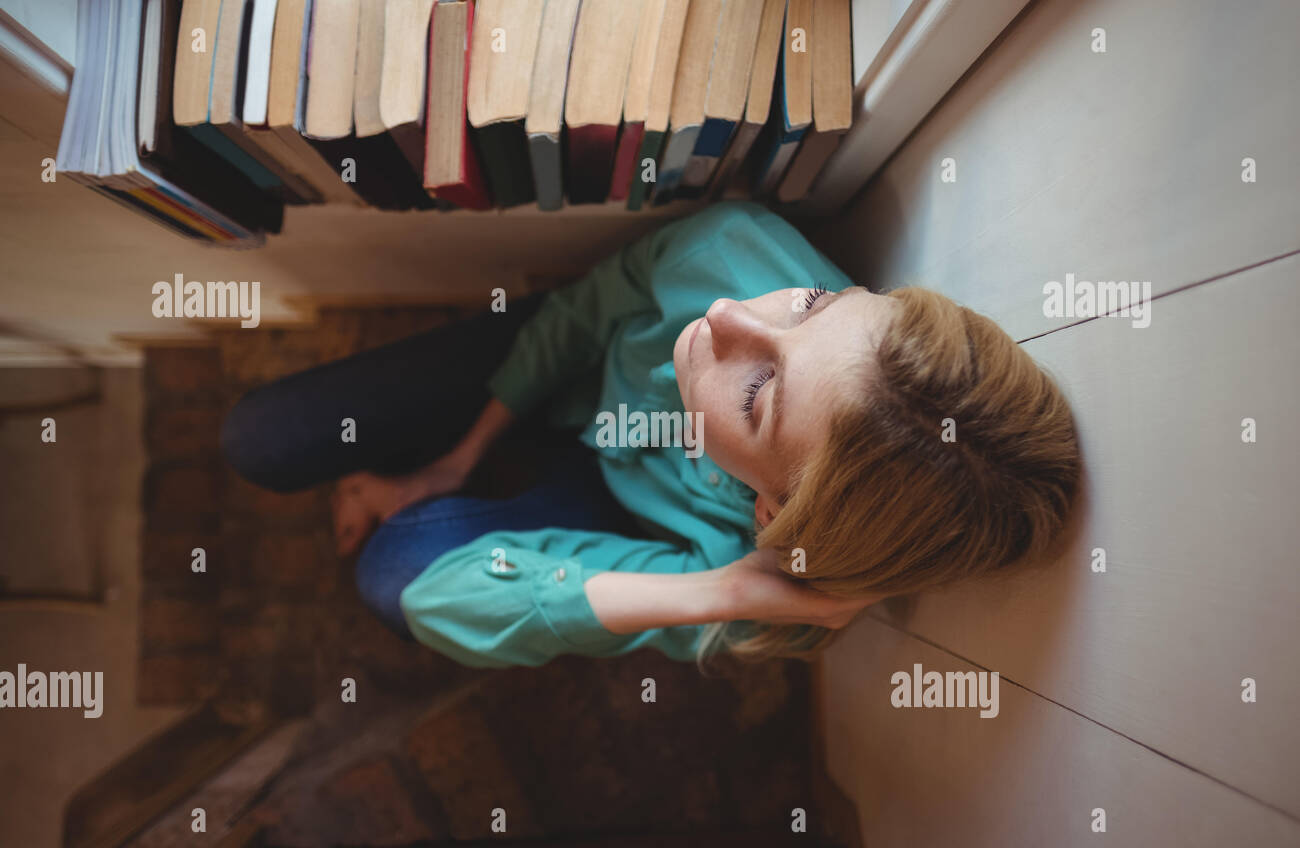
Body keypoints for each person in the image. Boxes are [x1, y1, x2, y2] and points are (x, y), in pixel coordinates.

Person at [220, 201, 1082, 672]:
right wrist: (451, 461)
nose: (728, 317)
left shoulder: (770, 576)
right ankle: (448, 470)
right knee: (257, 438)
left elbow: (441, 600)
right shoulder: (740, 257)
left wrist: (726, 593)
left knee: (390, 576)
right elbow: (583, 315)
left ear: (773, 511)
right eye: (817, 305)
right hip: (552, 378)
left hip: (607, 504)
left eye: (758, 393)